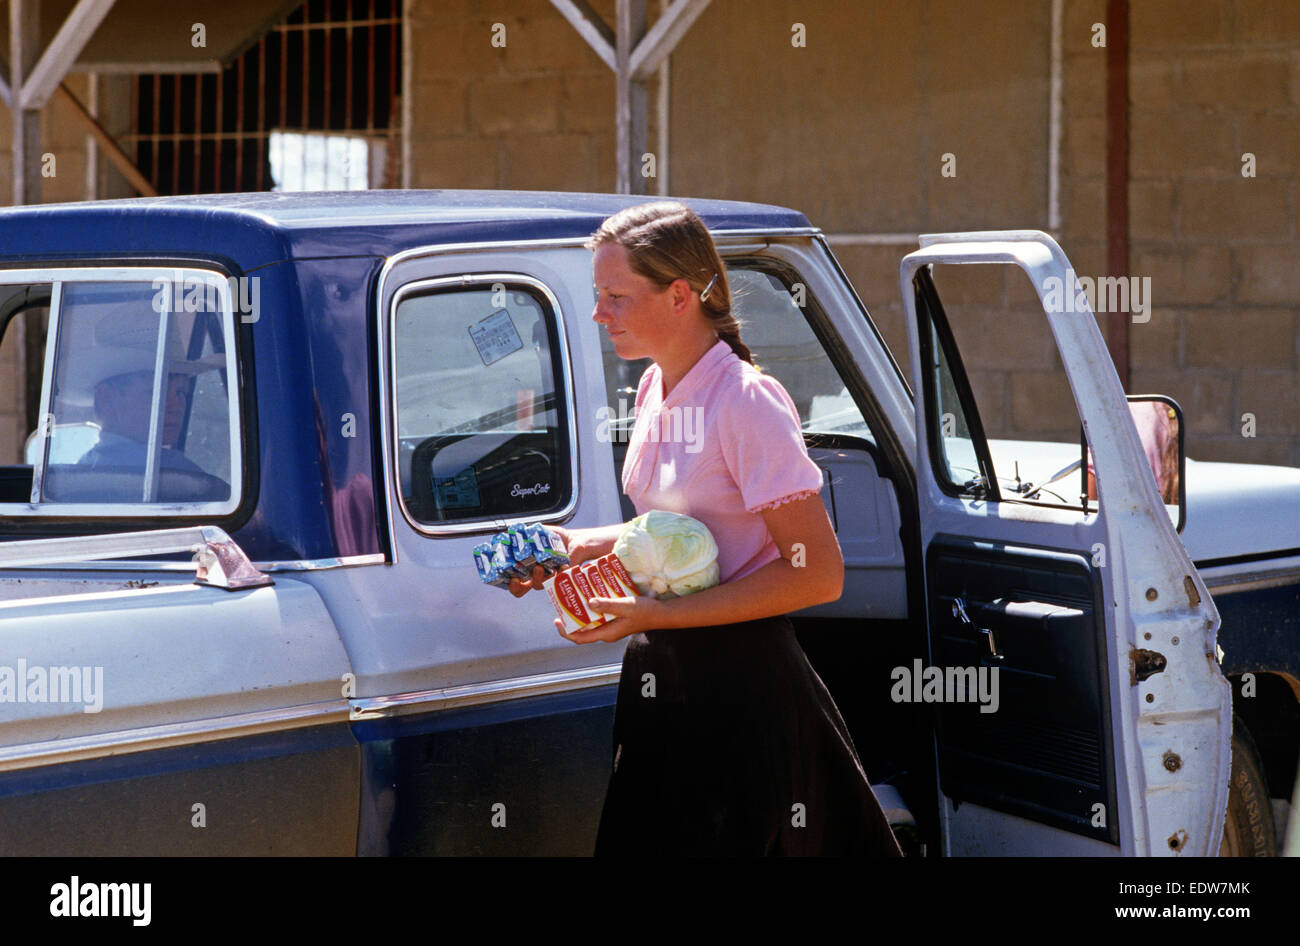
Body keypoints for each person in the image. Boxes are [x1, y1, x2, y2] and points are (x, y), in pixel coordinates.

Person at [512, 200, 903, 856]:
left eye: (615, 296)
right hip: (663, 681)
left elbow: (818, 573)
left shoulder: (746, 401)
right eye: (597, 294)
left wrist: (656, 616)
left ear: (679, 295)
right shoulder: (651, 392)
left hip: (745, 691)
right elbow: (674, 531)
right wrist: (574, 546)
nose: (598, 313)